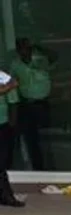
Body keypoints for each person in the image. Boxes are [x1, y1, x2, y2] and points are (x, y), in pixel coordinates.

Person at [10, 38, 55, 171]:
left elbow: (54, 57)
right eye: (21, 48)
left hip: (43, 103)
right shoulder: (15, 65)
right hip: (27, 105)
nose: (24, 51)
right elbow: (12, 83)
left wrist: (39, 47)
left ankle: (51, 167)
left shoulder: (41, 60)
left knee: (47, 138)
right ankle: (38, 168)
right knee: (32, 139)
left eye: (27, 48)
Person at [0, 71, 22, 207]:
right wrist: (9, 86)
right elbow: (12, 85)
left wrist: (12, 125)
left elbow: (13, 100)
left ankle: (5, 195)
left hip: (2, 123)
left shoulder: (1, 75)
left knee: (1, 161)